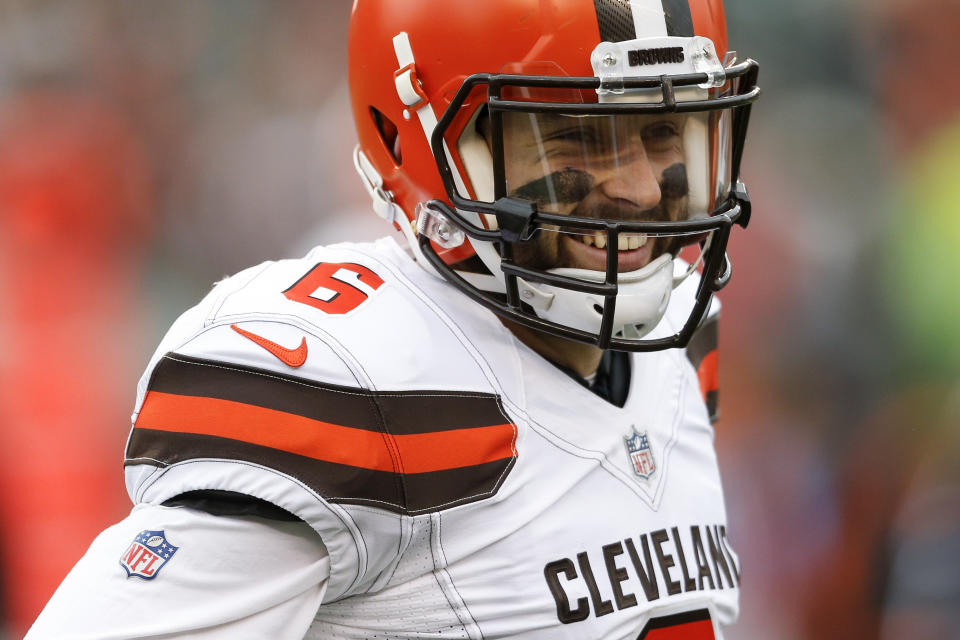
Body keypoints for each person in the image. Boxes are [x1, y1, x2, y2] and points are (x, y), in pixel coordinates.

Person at [27, 0, 759, 637]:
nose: (635, 187)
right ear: (415, 139)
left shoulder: (681, 348)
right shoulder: (360, 383)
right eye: (573, 138)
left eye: (664, 131)